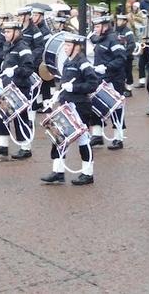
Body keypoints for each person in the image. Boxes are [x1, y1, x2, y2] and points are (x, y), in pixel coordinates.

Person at [41, 34, 98, 186]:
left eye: (68, 45)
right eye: (65, 45)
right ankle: (58, 172)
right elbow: (65, 82)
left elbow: (93, 84)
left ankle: (88, 173)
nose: (65, 48)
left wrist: (75, 88)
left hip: (80, 106)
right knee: (59, 138)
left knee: (83, 140)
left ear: (77, 46)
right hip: (67, 104)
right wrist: (57, 96)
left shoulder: (83, 63)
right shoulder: (67, 61)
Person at [0, 21, 36, 159]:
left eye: (9, 32)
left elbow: (28, 69)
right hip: (7, 86)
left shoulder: (23, 47)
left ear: (17, 32)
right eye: (5, 32)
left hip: (20, 87)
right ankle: (3, 146)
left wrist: (15, 72)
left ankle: (26, 148)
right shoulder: (8, 45)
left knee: (21, 118)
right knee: (2, 114)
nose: (6, 34)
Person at [90, 15, 128, 149]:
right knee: (95, 105)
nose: (95, 29)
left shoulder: (113, 39)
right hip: (101, 78)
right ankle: (97, 135)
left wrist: (106, 67)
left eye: (98, 26)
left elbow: (121, 58)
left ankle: (119, 138)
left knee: (116, 109)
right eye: (95, 26)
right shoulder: (100, 38)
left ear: (105, 27)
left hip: (114, 79)